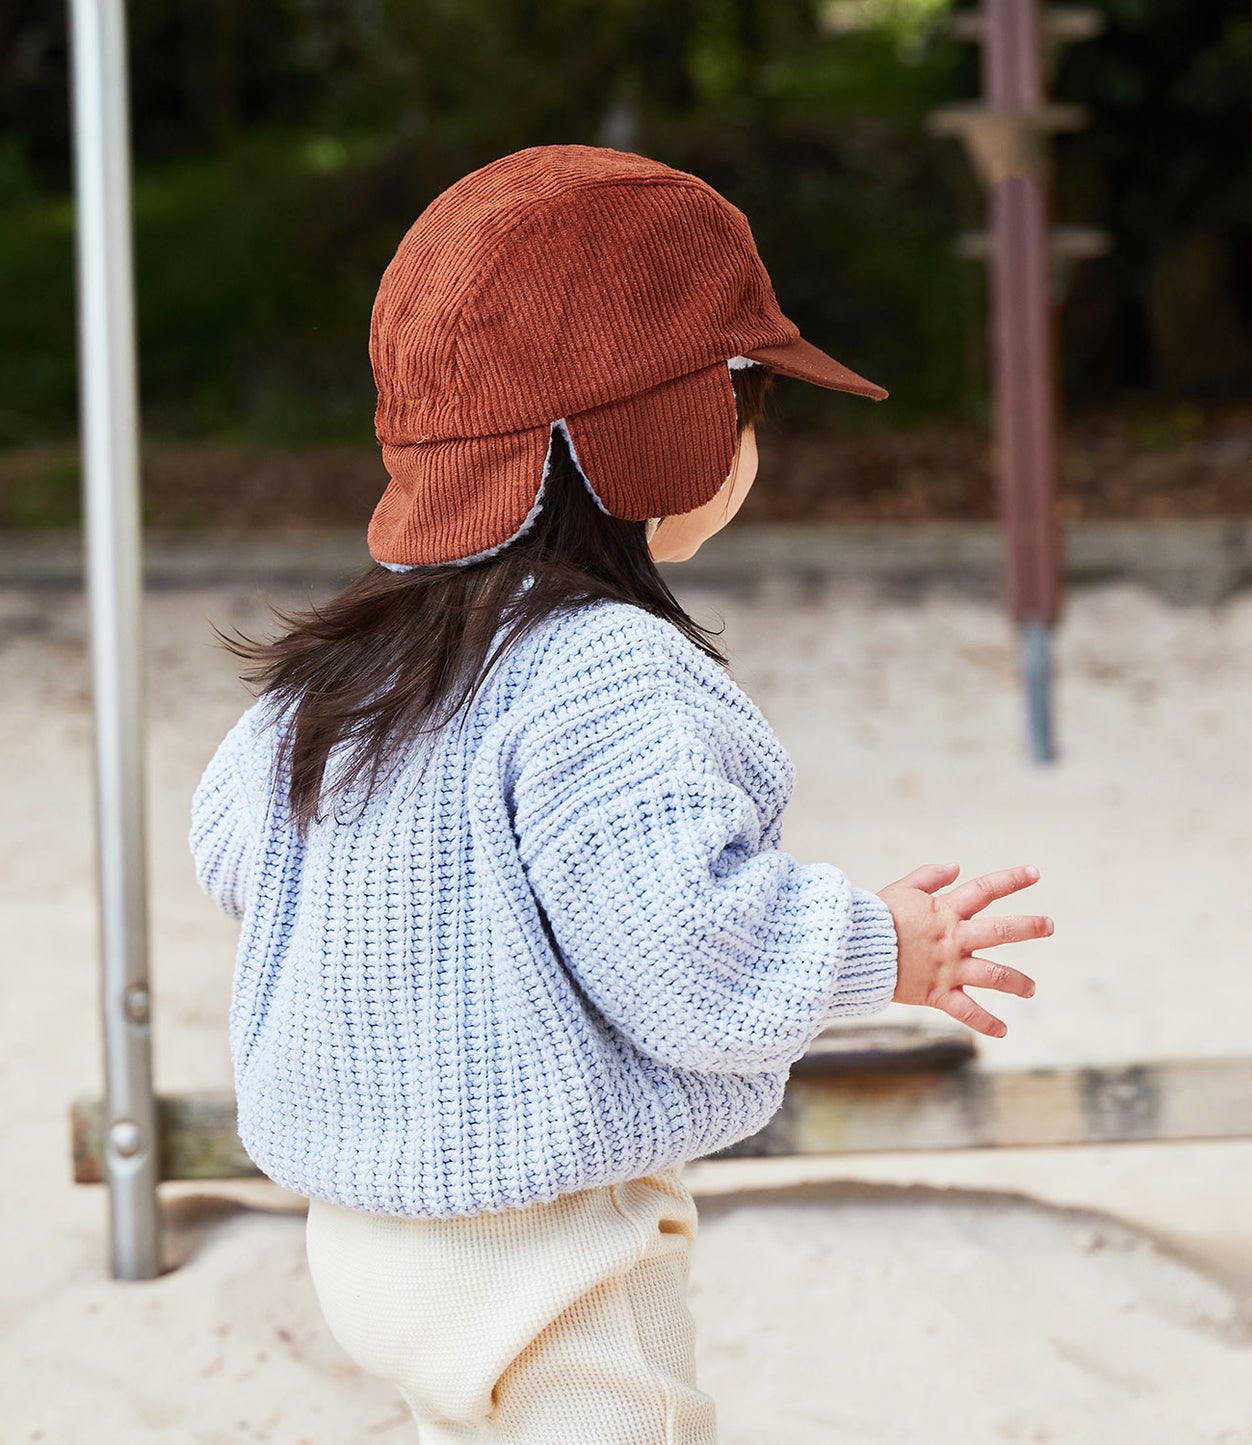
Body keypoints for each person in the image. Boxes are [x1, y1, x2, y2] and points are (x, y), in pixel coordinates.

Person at [189, 144, 1053, 1445]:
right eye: (751, 407)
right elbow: (684, 953)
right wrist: (879, 943)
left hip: (363, 1237)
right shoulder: (600, 672)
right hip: (550, 1252)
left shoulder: (336, 669)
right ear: (678, 425)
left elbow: (233, 850)